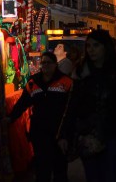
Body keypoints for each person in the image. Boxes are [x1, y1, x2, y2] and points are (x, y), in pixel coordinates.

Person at [58, 29, 116, 182]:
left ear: (105, 47)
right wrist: (64, 134)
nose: (91, 50)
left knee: (111, 177)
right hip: (87, 135)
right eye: (89, 46)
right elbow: (72, 105)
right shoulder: (81, 73)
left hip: (113, 134)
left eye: (96, 46)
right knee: (93, 177)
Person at [7, 52, 72, 182]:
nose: (46, 65)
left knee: (60, 169)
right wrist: (10, 118)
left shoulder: (66, 81)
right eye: (43, 63)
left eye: (49, 62)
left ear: (55, 65)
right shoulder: (33, 82)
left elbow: (71, 109)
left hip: (59, 133)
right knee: (42, 170)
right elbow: (23, 103)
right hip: (39, 133)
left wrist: (68, 134)